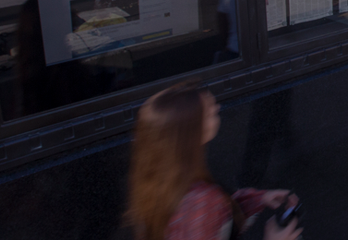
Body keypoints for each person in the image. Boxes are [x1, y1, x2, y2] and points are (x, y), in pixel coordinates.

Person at [127, 81, 302, 240]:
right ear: (190, 134)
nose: (218, 107)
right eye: (210, 111)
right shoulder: (199, 202)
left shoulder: (159, 179)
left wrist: (258, 199)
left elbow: (215, 218)